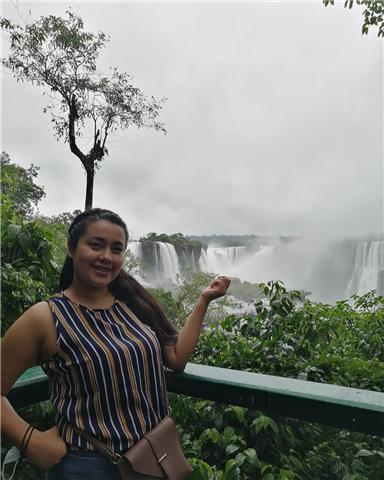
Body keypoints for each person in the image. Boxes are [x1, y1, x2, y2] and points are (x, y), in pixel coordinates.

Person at [1, 208, 230, 480]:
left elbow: (176, 357)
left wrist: (203, 300)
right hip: (87, 465)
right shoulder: (46, 317)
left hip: (152, 456)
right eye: (96, 245)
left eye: (116, 249)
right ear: (71, 248)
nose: (107, 257)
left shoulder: (132, 304)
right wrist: (30, 441)